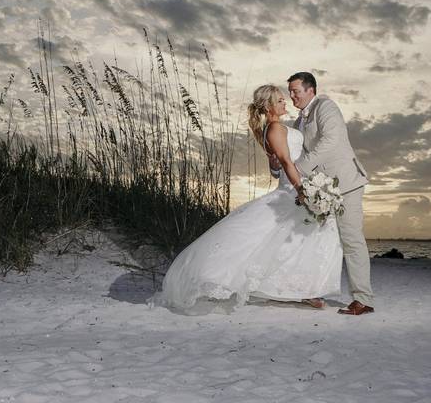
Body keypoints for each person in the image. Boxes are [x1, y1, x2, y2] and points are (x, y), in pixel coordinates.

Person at [152, 84, 342, 313]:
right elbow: (287, 163)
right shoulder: (274, 129)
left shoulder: (278, 127)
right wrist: (301, 189)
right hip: (293, 188)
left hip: (301, 184)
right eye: (280, 100)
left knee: (299, 238)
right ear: (270, 105)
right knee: (275, 238)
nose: (285, 103)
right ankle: (302, 292)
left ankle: (304, 290)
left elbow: (280, 162)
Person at [286, 72, 374, 315]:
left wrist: (299, 168)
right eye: (290, 92)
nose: (292, 96)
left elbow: (331, 141)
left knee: (351, 239)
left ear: (310, 90)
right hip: (321, 188)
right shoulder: (298, 122)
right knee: (315, 238)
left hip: (347, 183)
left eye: (296, 91)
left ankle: (363, 299)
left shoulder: (326, 107)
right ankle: (311, 290)